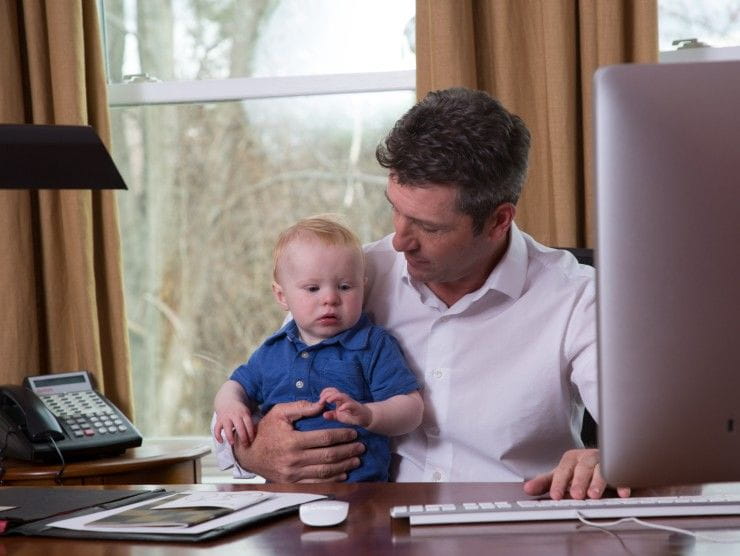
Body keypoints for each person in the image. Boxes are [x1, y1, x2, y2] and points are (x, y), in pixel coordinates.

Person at [215, 88, 629, 500]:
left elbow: (651, 442)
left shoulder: (577, 298)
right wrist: (254, 453)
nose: (399, 241)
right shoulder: (349, 280)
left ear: (498, 221)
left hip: (511, 530)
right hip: (367, 529)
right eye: (395, 208)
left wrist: (610, 458)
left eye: (429, 227)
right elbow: (242, 413)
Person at [213, 216, 423, 482]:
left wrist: (370, 414)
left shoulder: (373, 344)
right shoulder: (272, 351)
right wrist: (230, 406)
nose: (330, 299)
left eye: (345, 287)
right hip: (282, 497)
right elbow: (235, 386)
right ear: (281, 296)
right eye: (312, 288)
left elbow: (411, 408)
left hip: (361, 495)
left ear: (363, 285)